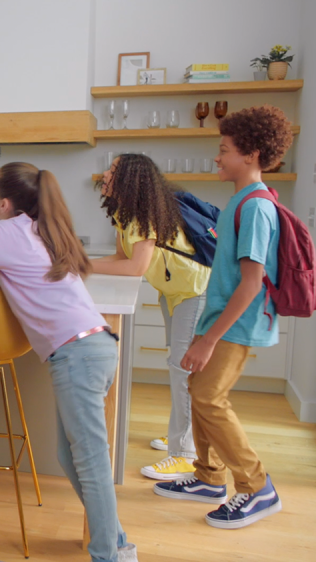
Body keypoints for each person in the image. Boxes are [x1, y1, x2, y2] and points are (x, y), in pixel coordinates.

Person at [0, 162, 138, 562]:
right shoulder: (43, 228)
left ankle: (110, 555)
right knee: (73, 457)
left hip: (76, 356)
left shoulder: (1, 233)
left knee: (90, 461)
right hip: (94, 346)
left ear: (6, 202)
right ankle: (117, 543)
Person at [154, 105, 293, 530]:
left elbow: (252, 282)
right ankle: (209, 477)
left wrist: (208, 338)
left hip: (238, 323)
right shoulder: (240, 200)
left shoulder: (255, 207)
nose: (218, 157)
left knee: (210, 397)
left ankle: (256, 487)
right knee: (199, 389)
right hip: (222, 318)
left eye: (224, 149)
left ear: (250, 154)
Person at [91, 154, 210, 481]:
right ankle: (182, 437)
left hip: (195, 289)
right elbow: (120, 256)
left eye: (112, 170)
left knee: (181, 367)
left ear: (129, 179)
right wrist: (81, 261)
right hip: (174, 290)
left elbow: (136, 267)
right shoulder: (122, 211)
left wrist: (81, 266)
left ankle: (184, 453)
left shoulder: (143, 215)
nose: (105, 173)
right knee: (178, 365)